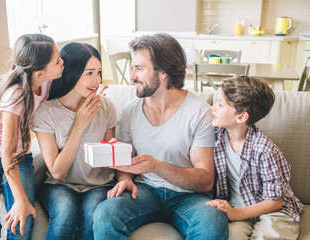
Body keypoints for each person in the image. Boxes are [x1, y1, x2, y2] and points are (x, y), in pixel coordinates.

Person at [92, 33, 228, 240]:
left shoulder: (199, 112)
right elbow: (126, 162)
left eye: (139, 68)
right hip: (145, 192)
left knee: (213, 222)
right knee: (105, 213)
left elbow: (206, 180)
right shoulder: (130, 111)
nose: (132, 76)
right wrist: (125, 178)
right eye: (133, 68)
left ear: (163, 72)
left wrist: (157, 166)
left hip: (189, 198)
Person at [0, 33, 64, 239]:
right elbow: (7, 152)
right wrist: (20, 200)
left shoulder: (44, 84)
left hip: (17, 155)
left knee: (22, 226)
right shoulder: (15, 95)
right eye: (57, 61)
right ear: (39, 73)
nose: (63, 62)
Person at [32, 42, 117, 240]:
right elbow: (57, 172)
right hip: (60, 185)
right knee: (64, 215)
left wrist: (117, 151)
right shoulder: (46, 112)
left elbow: (109, 160)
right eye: (89, 73)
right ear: (70, 72)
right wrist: (80, 124)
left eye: (99, 72)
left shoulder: (106, 106)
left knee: (91, 219)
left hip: (99, 184)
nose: (96, 79)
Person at [206, 76, 304, 239]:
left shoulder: (263, 149)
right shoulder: (217, 135)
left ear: (241, 117)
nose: (213, 108)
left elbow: (275, 201)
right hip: (239, 206)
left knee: (269, 235)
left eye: (220, 105)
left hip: (273, 210)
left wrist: (236, 214)